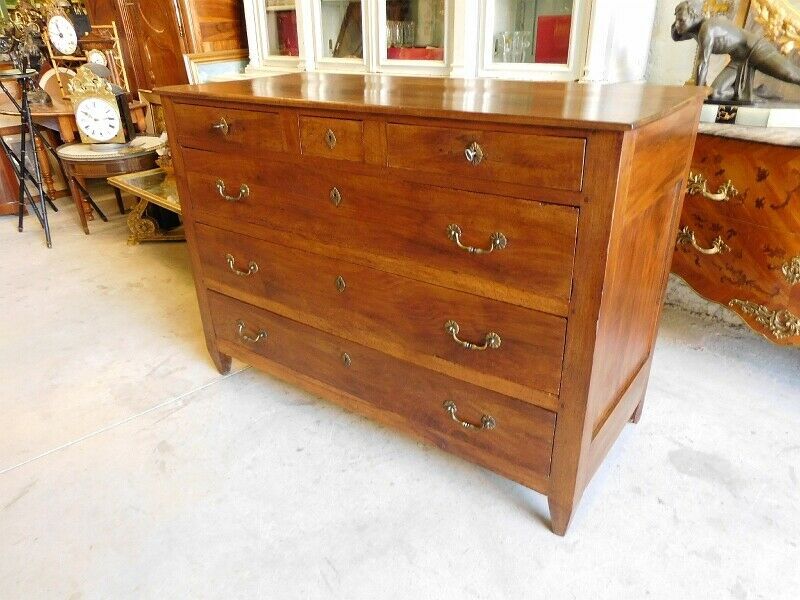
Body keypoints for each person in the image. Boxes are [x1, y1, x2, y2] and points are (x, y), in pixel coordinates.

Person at [672, 0, 800, 102]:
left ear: (695, 16)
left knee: (791, 74)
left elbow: (703, 62)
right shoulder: (695, 29)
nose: (677, 24)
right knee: (716, 93)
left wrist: (697, 95)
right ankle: (758, 92)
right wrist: (678, 20)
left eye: (681, 20)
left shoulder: (707, 29)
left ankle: (753, 92)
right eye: (676, 20)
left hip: (755, 48)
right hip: (739, 60)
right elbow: (676, 37)